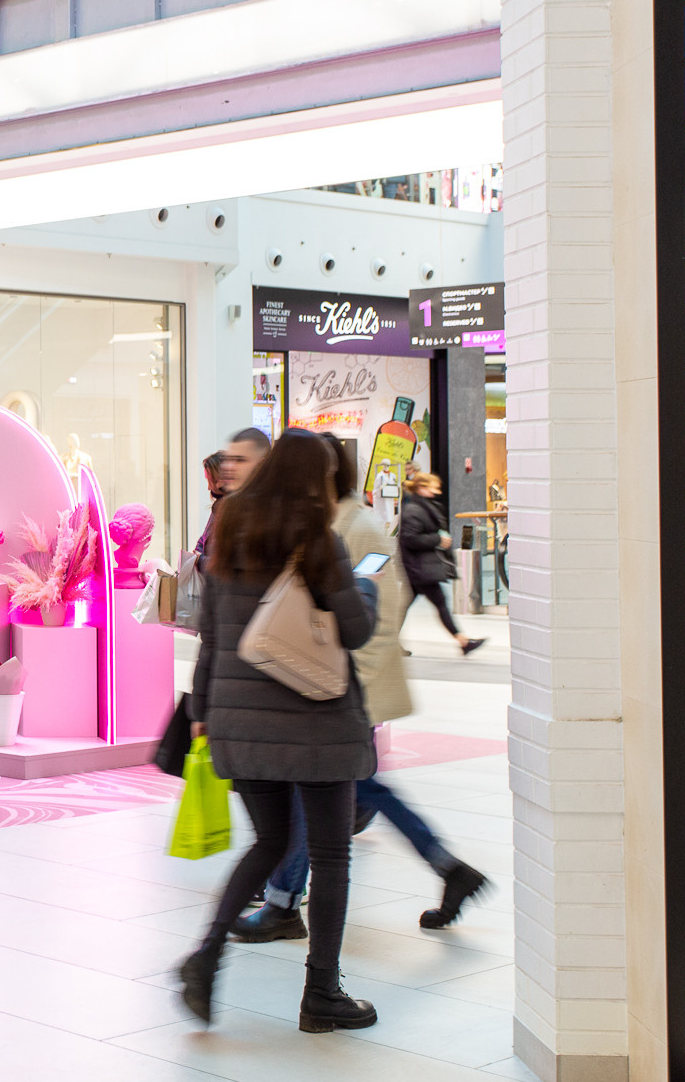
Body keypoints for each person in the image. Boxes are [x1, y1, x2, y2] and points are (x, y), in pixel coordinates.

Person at [237, 434, 491, 943]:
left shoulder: (361, 527)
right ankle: (448, 868)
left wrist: (352, 684)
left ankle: (285, 903)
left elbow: (374, 607)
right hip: (328, 686)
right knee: (353, 790)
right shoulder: (329, 522)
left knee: (323, 791)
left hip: (351, 687)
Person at [179, 427, 378, 1033]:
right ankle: (322, 994)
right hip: (317, 723)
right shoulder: (319, 542)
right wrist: (365, 587)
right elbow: (355, 630)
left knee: (267, 843)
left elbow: (212, 637)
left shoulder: (230, 531)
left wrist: (202, 713)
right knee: (330, 853)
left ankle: (206, 958)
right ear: (314, 481)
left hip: (240, 723)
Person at [399, 471, 486, 655]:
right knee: (439, 602)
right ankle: (462, 642)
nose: (437, 491)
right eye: (433, 487)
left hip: (419, 566)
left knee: (405, 605)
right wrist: (437, 540)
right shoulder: (415, 509)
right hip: (419, 567)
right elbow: (410, 538)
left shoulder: (421, 507)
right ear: (422, 488)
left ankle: (387, 643)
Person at [193, 427, 270, 558]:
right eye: (229, 459)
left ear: (261, 464)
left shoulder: (267, 511)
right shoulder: (230, 506)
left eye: (240, 460)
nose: (230, 467)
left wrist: (200, 560)